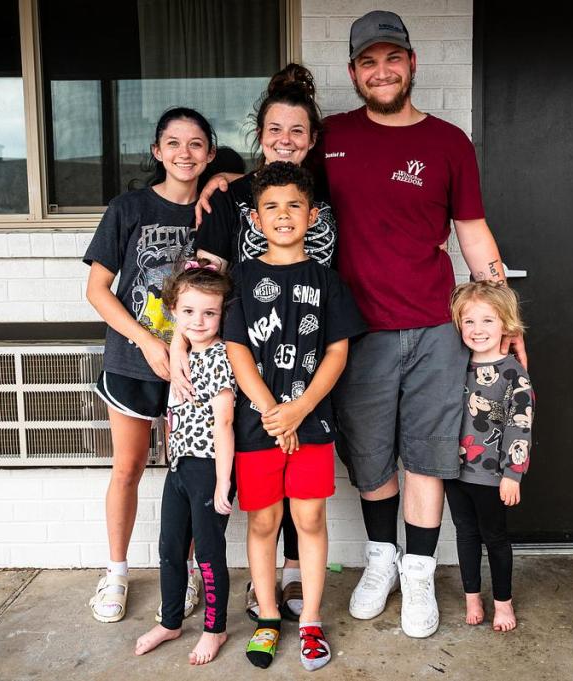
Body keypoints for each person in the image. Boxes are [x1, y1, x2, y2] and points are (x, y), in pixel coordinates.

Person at [320, 10, 528, 640]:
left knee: (430, 457)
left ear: (411, 65)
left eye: (392, 59)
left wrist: (506, 313)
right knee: (374, 458)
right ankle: (380, 560)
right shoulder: (329, 138)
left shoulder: (448, 142)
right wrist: (221, 176)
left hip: (437, 328)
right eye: (368, 62)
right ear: (354, 72)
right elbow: (272, 189)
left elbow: (470, 230)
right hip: (358, 332)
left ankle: (416, 573)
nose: (381, 72)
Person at [179, 63, 336, 621]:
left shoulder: (325, 195)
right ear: (260, 135)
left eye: (297, 131)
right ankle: (224, 583)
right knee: (240, 490)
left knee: (306, 501)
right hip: (245, 369)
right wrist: (182, 348)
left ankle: (294, 584)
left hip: (311, 363)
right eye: (275, 130)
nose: (285, 141)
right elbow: (203, 281)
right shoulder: (229, 198)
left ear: (313, 140)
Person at [223, 162, 366, 670]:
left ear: (313, 213)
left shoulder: (328, 281)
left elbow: (337, 353)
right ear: (256, 219)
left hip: (313, 422)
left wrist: (300, 409)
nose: (283, 215)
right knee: (263, 520)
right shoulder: (239, 278)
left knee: (308, 516)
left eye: (294, 205)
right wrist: (271, 412)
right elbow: (237, 349)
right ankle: (266, 618)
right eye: (271, 207)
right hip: (258, 425)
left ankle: (309, 623)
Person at [83, 107, 217, 623]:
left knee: (186, 473)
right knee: (129, 467)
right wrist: (147, 341)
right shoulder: (128, 207)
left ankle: (178, 576)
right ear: (158, 151)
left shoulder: (213, 212)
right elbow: (97, 290)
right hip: (134, 362)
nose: (185, 153)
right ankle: (115, 574)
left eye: (197, 144)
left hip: (194, 365)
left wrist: (182, 350)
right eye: (174, 143)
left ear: (209, 153)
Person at [134, 260, 236, 664]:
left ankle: (216, 629)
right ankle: (171, 620)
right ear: (174, 311)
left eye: (210, 312)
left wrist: (223, 483)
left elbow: (224, 422)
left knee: (208, 552)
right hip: (178, 467)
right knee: (170, 547)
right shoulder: (182, 355)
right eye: (189, 311)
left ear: (222, 313)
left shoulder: (220, 356)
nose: (200, 320)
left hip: (209, 466)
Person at [445, 281, 534, 632]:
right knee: (465, 533)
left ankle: (503, 602)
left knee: (494, 538)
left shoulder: (514, 373)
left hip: (492, 475)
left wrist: (513, 473)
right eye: (469, 322)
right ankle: (471, 597)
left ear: (506, 327)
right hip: (453, 470)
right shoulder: (456, 365)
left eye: (488, 321)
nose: (477, 330)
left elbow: (520, 425)